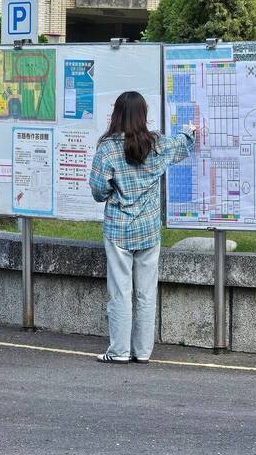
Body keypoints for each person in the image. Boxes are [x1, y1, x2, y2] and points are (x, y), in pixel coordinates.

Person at [89, 91, 196, 364]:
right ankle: (143, 351)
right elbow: (182, 145)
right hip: (149, 230)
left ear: (117, 115)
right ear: (143, 115)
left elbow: (99, 191)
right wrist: (189, 131)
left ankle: (119, 351)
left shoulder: (107, 149)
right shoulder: (158, 144)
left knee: (120, 292)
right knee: (146, 293)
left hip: (118, 230)